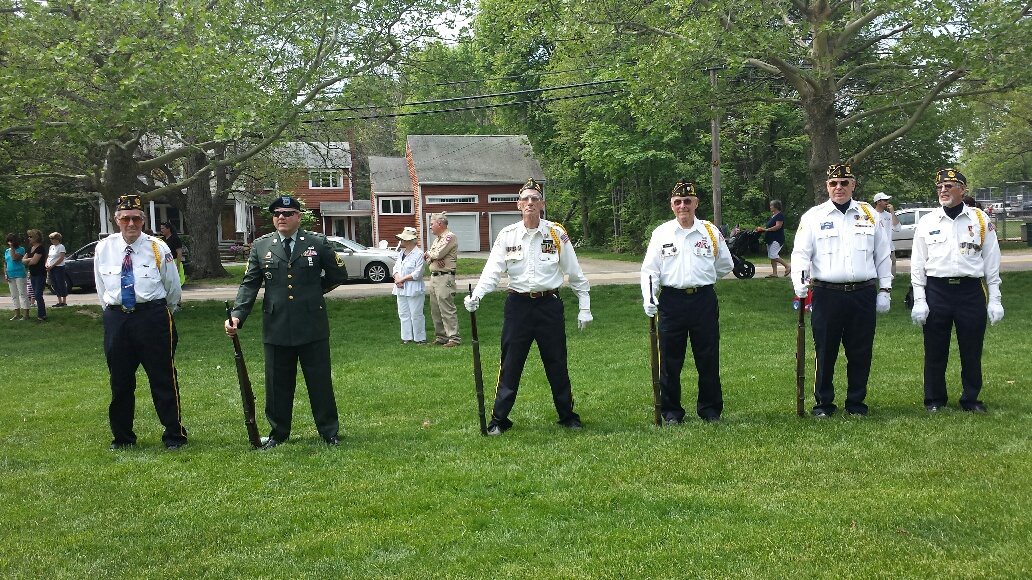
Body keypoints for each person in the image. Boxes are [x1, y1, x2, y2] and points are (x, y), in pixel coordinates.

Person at [464, 178, 592, 435]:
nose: (531, 203)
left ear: (542, 204)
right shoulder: (507, 235)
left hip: (549, 305)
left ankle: (568, 416)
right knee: (510, 364)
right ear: (519, 204)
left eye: (536, 199)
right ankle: (499, 420)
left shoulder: (556, 233)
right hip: (518, 307)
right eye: (526, 199)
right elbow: (492, 272)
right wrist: (477, 294)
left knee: (557, 362)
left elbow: (574, 273)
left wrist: (584, 305)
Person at [225, 196, 349, 449]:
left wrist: (314, 292)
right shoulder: (261, 246)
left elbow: (338, 274)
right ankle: (278, 433)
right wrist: (237, 315)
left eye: (288, 213)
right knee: (277, 383)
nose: (281, 217)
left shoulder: (317, 242)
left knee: (320, 381)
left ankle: (329, 431)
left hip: (311, 323)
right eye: (277, 213)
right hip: (276, 324)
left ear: (298, 216)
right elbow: (250, 284)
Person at [791, 164, 892, 417]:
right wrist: (799, 283)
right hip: (827, 293)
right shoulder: (813, 217)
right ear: (827, 186)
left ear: (853, 185)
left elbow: (883, 255)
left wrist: (885, 289)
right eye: (834, 183)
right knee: (825, 350)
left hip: (863, 293)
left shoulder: (870, 215)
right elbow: (801, 254)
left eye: (844, 183)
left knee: (861, 351)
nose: (839, 188)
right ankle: (823, 404)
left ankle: (856, 403)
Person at [94, 194, 187, 450]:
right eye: (125, 219)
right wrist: (115, 312)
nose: (131, 223)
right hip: (117, 319)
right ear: (117, 220)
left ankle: (174, 435)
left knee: (163, 378)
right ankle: (123, 438)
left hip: (153, 318)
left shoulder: (159, 248)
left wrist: (157, 311)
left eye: (136, 218)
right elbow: (101, 288)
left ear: (143, 220)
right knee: (120, 381)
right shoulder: (103, 248)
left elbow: (172, 288)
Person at [642, 179, 734, 423]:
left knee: (708, 356)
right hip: (672, 301)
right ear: (672, 205)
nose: (683, 206)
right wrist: (649, 296)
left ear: (696, 203)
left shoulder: (710, 232)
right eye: (678, 202)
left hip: (703, 300)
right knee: (670, 359)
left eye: (688, 201)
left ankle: (710, 409)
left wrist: (703, 277)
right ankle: (671, 411)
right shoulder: (661, 233)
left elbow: (725, 264)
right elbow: (650, 270)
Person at [910, 168, 1002, 413]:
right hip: (937, 289)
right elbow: (918, 263)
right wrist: (920, 298)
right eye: (940, 187)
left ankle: (971, 399)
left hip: (970, 291)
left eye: (949, 186)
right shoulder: (928, 221)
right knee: (935, 349)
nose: (943, 191)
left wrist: (995, 299)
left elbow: (992, 261)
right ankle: (934, 400)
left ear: (963, 189)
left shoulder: (980, 220)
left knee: (971, 349)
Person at [424, 213, 461, 347]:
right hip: (434, 277)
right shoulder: (437, 240)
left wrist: (432, 255)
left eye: (432, 224)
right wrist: (432, 257)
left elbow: (437, 254)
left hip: (445, 277)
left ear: (440, 224)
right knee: (435, 309)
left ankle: (454, 338)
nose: (430, 227)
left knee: (447, 308)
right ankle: (441, 336)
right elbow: (427, 258)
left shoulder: (450, 237)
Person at [392, 226, 426, 344]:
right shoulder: (401, 253)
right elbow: (395, 268)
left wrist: (403, 279)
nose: (401, 241)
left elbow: (418, 273)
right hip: (400, 288)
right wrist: (397, 279)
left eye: (404, 239)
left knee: (416, 314)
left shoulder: (419, 254)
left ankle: (420, 338)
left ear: (410, 240)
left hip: (414, 288)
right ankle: (406, 337)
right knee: (403, 313)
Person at [757, 200, 790, 278]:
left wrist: (766, 230)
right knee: (771, 256)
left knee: (773, 255)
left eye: (771, 205)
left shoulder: (780, 215)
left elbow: (778, 226)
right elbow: (769, 226)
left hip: (777, 238)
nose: (770, 207)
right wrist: (763, 229)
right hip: (770, 238)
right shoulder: (772, 216)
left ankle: (787, 266)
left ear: (776, 206)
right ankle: (774, 273)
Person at [22, 229, 48, 322]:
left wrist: (28, 260)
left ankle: (42, 315)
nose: (29, 238)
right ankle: (41, 314)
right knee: (35, 294)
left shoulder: (40, 248)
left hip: (40, 274)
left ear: (36, 238)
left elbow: (34, 261)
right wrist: (29, 259)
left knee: (37, 295)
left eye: (31, 237)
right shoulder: (30, 248)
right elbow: (23, 260)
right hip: (32, 274)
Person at [872, 192, 902, 274]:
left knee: (891, 270)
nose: (887, 202)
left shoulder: (889, 215)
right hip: (875, 249)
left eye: (887, 200)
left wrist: (892, 212)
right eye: (885, 200)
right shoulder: (871, 215)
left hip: (889, 249)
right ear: (878, 202)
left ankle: (890, 285)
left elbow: (897, 228)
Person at [4, 233, 29, 320]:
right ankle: (17, 313)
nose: (9, 243)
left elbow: (14, 258)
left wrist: (12, 248)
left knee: (22, 293)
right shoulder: (7, 251)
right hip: (10, 274)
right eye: (8, 241)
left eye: (11, 241)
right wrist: (5, 273)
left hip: (19, 274)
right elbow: (6, 262)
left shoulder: (21, 249)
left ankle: (26, 314)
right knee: (14, 295)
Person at [158, 221, 187, 286]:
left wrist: (178, 265)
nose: (161, 230)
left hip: (174, 260)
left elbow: (179, 252)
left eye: (163, 228)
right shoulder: (162, 240)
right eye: (161, 228)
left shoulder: (175, 239)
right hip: (165, 262)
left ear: (168, 229)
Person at [46, 232, 69, 307]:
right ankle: (59, 300)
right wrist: (46, 264)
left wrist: (52, 265)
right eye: (50, 239)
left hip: (59, 267)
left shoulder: (61, 247)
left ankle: (64, 301)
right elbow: (49, 257)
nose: (51, 240)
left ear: (57, 239)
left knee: (61, 283)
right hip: (51, 267)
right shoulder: (51, 247)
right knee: (54, 284)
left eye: (52, 239)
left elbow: (61, 258)